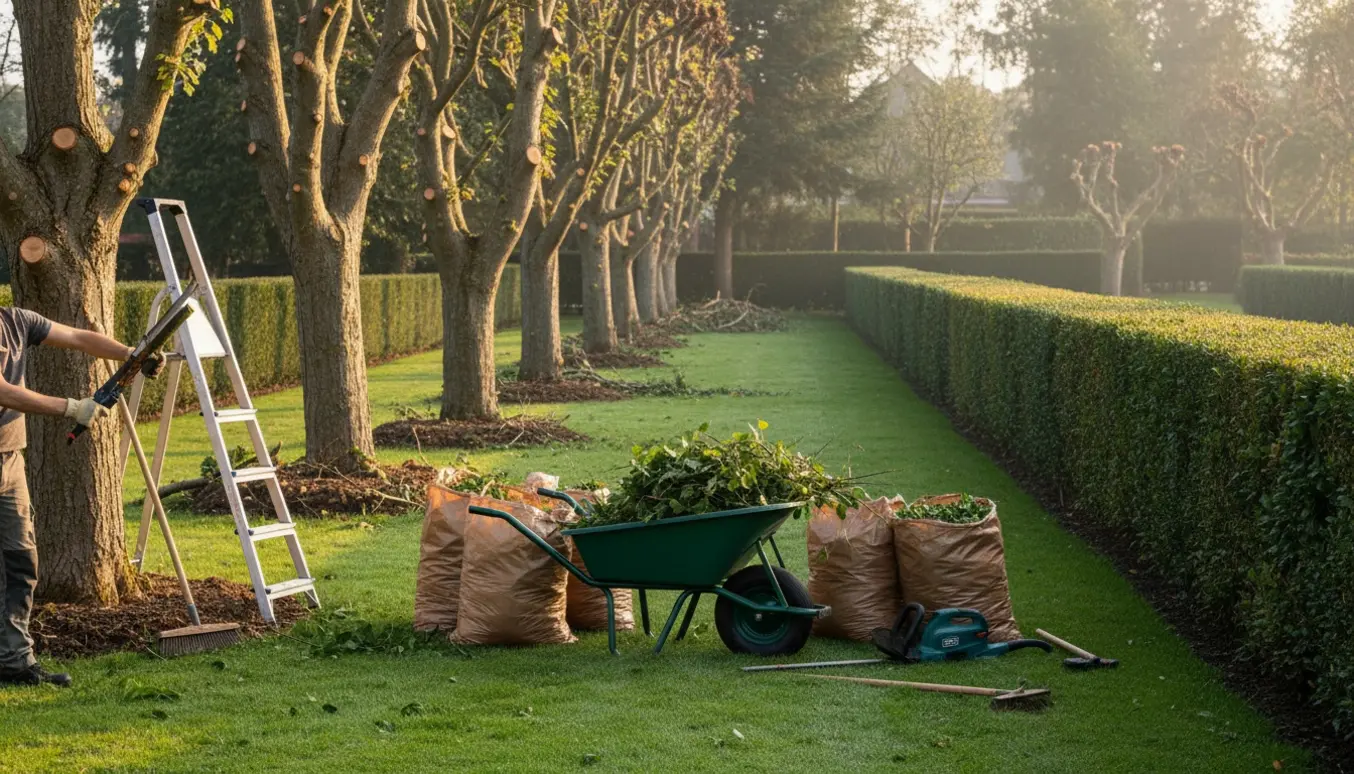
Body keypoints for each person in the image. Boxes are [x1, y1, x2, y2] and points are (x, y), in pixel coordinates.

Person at [0, 306, 162, 688]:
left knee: (19, 562)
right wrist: (71, 407)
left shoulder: (16, 321)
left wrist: (128, 355)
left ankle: (13, 662)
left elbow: (77, 337)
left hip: (9, 460)